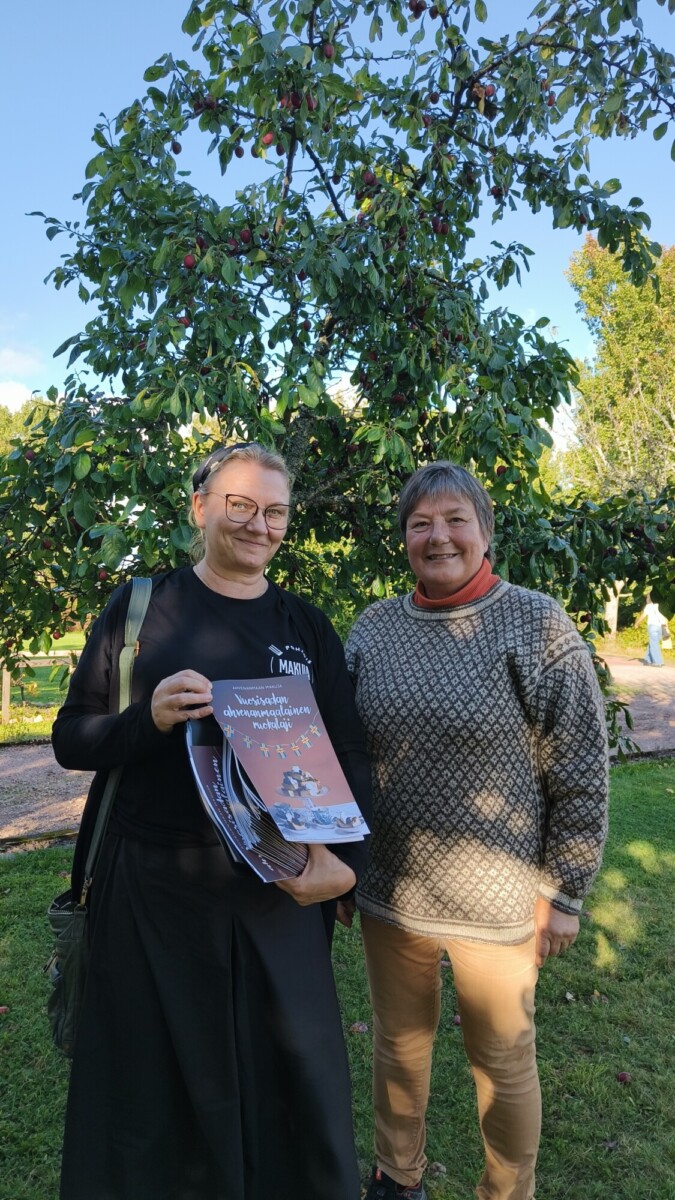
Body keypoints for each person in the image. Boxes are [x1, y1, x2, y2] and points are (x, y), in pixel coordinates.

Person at [52, 442, 371, 1200]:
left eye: (276, 511)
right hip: (153, 890)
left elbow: (349, 750)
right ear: (200, 507)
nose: (259, 525)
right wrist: (146, 718)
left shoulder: (305, 625)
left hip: (277, 892)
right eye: (240, 506)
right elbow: (71, 739)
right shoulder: (139, 609)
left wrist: (340, 856)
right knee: (151, 1083)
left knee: (288, 1077)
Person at [344, 461, 609, 1200]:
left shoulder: (537, 624)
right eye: (420, 523)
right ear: (402, 538)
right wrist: (340, 862)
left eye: (455, 519)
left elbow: (580, 771)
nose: (438, 537)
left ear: (484, 530)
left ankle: (506, 1191)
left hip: (499, 902)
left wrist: (563, 893)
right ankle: (397, 1178)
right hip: (390, 889)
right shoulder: (373, 628)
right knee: (397, 1047)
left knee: (501, 1059)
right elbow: (345, 756)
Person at [635, 593, 668, 667]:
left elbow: (643, 616)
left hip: (652, 626)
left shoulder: (649, 606)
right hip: (660, 627)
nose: (646, 599)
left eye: (647, 598)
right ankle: (648, 660)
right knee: (653, 643)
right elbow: (665, 617)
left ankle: (658, 662)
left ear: (650, 599)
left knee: (654, 644)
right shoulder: (660, 606)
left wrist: (637, 623)